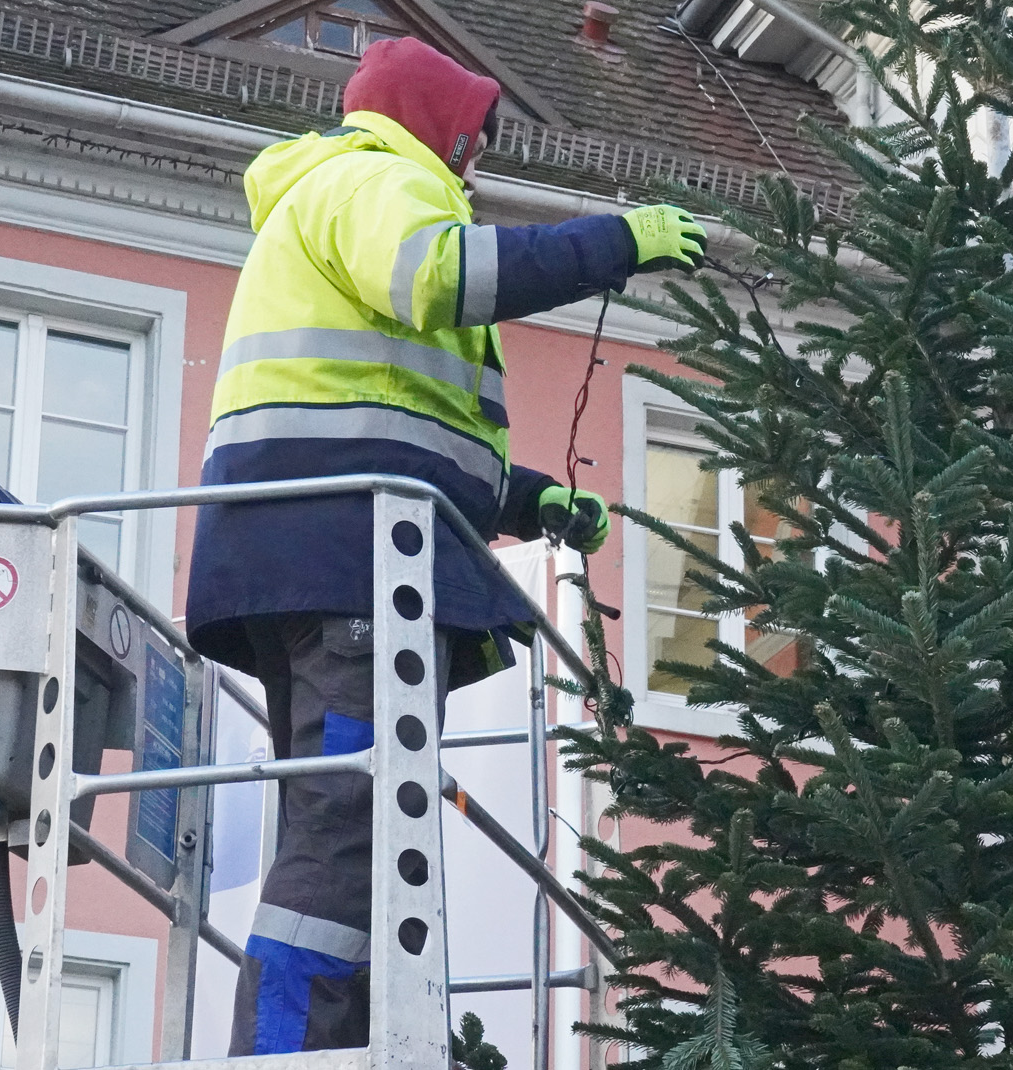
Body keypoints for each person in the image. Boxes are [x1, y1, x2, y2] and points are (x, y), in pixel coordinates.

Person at [183, 36, 707, 1055]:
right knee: (347, 826)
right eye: (471, 141)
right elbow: (446, 279)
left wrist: (528, 503)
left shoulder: (336, 198)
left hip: (316, 553)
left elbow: (387, 422)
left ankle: (343, 1043)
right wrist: (617, 240)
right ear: (435, 124)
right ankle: (287, 1053)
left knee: (359, 826)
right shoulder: (376, 182)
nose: (475, 168)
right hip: (346, 567)